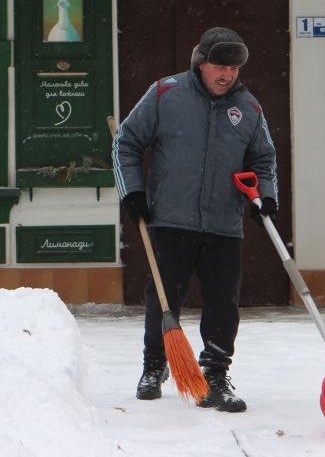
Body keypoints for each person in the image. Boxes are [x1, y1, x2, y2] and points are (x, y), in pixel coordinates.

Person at [112, 26, 278, 413]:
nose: (227, 75)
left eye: (234, 68)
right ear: (200, 62)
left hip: (224, 223)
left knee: (224, 303)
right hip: (172, 219)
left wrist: (265, 198)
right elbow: (127, 142)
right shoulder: (166, 93)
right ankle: (155, 366)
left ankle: (215, 373)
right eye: (220, 65)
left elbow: (263, 159)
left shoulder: (249, 108)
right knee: (164, 298)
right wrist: (132, 192)